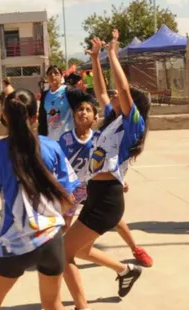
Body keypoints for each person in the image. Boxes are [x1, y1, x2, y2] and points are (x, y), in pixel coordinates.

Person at [62, 30, 150, 310]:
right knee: (82, 249)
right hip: (96, 192)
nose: (111, 96)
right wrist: (97, 59)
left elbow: (122, 90)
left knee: (63, 254)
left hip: (108, 197)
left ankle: (80, 306)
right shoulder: (112, 120)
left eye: (119, 97)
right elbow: (101, 90)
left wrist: (112, 53)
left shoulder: (133, 124)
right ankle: (126, 271)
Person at [0, 88, 78, 310]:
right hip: (51, 238)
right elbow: (70, 197)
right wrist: (63, 217)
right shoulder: (52, 147)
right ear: (35, 117)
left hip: (14, 243)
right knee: (52, 304)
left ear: (4, 116)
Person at [58, 88, 154, 267]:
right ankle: (123, 270)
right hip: (78, 187)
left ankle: (135, 248)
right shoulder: (67, 139)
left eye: (88, 110)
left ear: (95, 118)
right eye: (80, 110)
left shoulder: (100, 136)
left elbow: (114, 160)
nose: (83, 113)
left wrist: (120, 179)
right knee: (66, 225)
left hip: (100, 190)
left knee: (116, 222)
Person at [38, 66, 74, 141]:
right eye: (50, 73)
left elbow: (87, 100)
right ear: (47, 78)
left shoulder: (68, 90)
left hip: (67, 137)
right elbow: (42, 117)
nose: (52, 75)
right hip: (50, 138)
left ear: (61, 77)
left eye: (56, 73)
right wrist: (41, 136)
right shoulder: (44, 95)